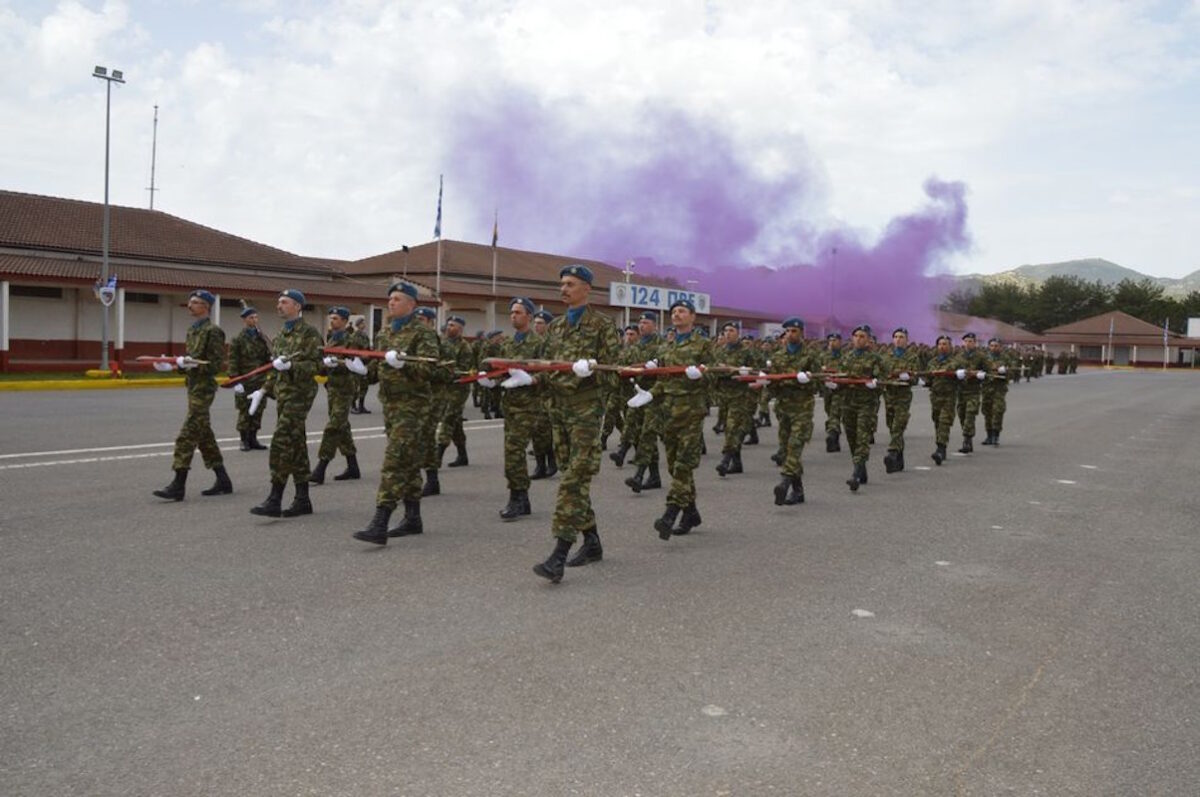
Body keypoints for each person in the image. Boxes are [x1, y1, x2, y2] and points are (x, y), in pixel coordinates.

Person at [531, 264, 621, 582]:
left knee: (572, 482)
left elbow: (616, 373)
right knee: (575, 481)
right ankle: (592, 542)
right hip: (558, 412)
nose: (563, 289)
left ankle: (559, 553)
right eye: (561, 284)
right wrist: (528, 377)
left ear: (587, 289)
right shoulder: (554, 327)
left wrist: (592, 371)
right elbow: (546, 366)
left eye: (570, 284)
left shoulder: (602, 326)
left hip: (585, 414)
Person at [352, 282, 441, 544]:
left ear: (412, 304)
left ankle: (380, 520)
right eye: (390, 298)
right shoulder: (385, 334)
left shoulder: (422, 334)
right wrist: (357, 369)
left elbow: (431, 371)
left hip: (413, 407)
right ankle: (413, 518)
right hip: (391, 407)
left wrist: (404, 364)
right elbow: (377, 372)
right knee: (409, 463)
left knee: (394, 462)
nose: (391, 302)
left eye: (397, 299)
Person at [248, 289, 322, 518]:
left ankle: (275, 498)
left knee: (281, 443)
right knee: (297, 446)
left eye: (284, 302)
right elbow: (276, 369)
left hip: (300, 396)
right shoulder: (281, 335)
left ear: (298, 306)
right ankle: (303, 499)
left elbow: (317, 366)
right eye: (278, 302)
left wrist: (292, 367)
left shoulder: (309, 333)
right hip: (283, 395)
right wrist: (263, 390)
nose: (279, 305)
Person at [642, 298, 712, 538]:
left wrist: (701, 376)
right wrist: (650, 393)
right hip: (668, 411)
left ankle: (670, 513)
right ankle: (691, 512)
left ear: (693, 316)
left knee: (684, 464)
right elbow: (663, 379)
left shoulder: (703, 344)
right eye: (674, 311)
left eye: (682, 311)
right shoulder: (666, 345)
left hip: (691, 412)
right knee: (674, 466)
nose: (677, 314)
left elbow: (716, 374)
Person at [152, 289, 231, 500]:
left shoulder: (213, 331)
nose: (190, 305)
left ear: (206, 306)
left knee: (186, 436)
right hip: (193, 386)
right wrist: (174, 366)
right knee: (204, 435)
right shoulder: (193, 330)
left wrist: (186, 363)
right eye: (190, 302)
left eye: (195, 302)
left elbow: (215, 366)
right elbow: (191, 360)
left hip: (203, 389)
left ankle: (178, 484)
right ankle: (223, 480)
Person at [490, 297, 546, 520]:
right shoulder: (508, 344)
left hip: (529, 405)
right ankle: (522, 498)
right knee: (511, 452)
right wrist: (490, 379)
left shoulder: (540, 343)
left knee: (514, 451)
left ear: (529, 317)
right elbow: (503, 370)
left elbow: (551, 372)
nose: (514, 316)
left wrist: (532, 380)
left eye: (518, 312)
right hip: (510, 404)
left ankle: (517, 498)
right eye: (512, 312)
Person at [767, 316, 819, 505]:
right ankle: (798, 491)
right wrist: (767, 382)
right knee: (788, 450)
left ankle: (785, 482)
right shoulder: (778, 356)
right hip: (784, 409)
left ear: (801, 333)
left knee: (795, 445)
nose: (790, 334)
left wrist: (809, 380)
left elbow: (820, 383)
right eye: (787, 331)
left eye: (794, 331)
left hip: (802, 408)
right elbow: (773, 384)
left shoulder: (810, 355)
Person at [310, 307, 365, 485]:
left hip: (345, 389)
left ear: (344, 321)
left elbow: (356, 365)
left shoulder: (351, 340)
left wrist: (336, 364)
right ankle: (353, 466)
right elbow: (323, 364)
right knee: (342, 427)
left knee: (333, 426)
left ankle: (321, 468)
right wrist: (323, 364)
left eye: (335, 318)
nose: (332, 321)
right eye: (330, 318)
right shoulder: (332, 339)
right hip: (332, 388)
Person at [840, 324, 882, 491]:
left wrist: (876, 384)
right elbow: (842, 376)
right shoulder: (846, 357)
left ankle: (856, 473)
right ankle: (861, 468)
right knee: (851, 436)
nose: (858, 338)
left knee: (862, 435)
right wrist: (834, 384)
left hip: (866, 402)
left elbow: (883, 376)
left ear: (868, 340)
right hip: (848, 402)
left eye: (862, 336)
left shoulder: (875, 358)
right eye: (856, 335)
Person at [712, 322, 757, 477]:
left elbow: (758, 372)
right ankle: (737, 463)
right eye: (725, 331)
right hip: (723, 397)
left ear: (738, 333)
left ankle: (725, 459)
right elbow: (714, 370)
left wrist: (744, 372)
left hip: (740, 396)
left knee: (732, 428)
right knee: (729, 429)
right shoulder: (719, 351)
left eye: (731, 330)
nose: (728, 333)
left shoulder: (746, 352)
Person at [879, 326, 923, 473]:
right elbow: (880, 375)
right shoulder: (885, 357)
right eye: (896, 337)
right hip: (889, 395)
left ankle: (892, 453)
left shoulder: (912, 357)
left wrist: (908, 377)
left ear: (907, 340)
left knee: (898, 425)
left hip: (903, 396)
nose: (898, 340)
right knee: (892, 426)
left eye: (901, 337)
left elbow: (916, 378)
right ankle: (899, 457)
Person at [227, 305, 271, 451]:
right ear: (244, 320)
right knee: (245, 411)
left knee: (258, 410)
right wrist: (235, 380)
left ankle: (253, 439)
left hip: (259, 379)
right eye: (251, 317)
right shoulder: (238, 339)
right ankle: (243, 440)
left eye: (256, 317)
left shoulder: (261, 338)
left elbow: (267, 357)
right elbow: (233, 360)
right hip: (245, 380)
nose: (254, 320)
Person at [529, 310, 558, 480]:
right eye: (535, 323)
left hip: (549, 391)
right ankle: (541, 465)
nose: (536, 326)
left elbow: (552, 367)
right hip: (534, 392)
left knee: (545, 429)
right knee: (536, 430)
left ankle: (551, 462)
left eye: (540, 323)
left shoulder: (552, 343)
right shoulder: (533, 342)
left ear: (548, 325)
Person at [954, 331, 989, 453]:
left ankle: (967, 441)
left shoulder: (981, 356)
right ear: (963, 343)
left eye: (971, 341)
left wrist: (982, 375)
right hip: (961, 391)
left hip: (973, 391)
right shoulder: (958, 356)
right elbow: (952, 370)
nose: (968, 343)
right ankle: (968, 437)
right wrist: (956, 374)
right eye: (966, 341)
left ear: (975, 343)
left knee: (970, 415)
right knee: (962, 415)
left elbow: (989, 373)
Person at [926, 335, 958, 465]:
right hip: (935, 396)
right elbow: (928, 378)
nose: (942, 346)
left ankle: (940, 448)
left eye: (945, 344)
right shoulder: (932, 362)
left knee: (944, 421)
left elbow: (957, 371)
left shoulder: (956, 361)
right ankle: (940, 444)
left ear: (950, 347)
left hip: (949, 396)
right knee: (937, 421)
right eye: (940, 344)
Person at [981, 337, 1013, 445]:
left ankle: (996, 434)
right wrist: (980, 375)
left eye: (996, 346)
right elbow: (978, 369)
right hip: (986, 388)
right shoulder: (984, 358)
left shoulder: (1006, 358)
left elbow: (1013, 371)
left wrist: (1005, 371)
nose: (994, 348)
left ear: (1000, 347)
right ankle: (989, 435)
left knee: (998, 411)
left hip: (999, 388)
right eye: (992, 346)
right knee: (987, 411)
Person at [821, 332, 845, 452]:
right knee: (829, 411)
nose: (832, 343)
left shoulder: (845, 356)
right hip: (827, 389)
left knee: (835, 412)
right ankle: (834, 435)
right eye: (830, 340)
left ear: (840, 342)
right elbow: (817, 371)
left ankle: (833, 435)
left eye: (835, 340)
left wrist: (839, 383)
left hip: (840, 390)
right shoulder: (824, 356)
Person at [349, 315, 373, 414]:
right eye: (362, 323)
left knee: (364, 385)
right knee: (355, 386)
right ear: (358, 325)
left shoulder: (364, 335)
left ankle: (361, 405)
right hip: (357, 362)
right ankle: (353, 406)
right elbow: (353, 350)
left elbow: (367, 348)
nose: (364, 325)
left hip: (365, 363)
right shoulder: (354, 336)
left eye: (364, 323)